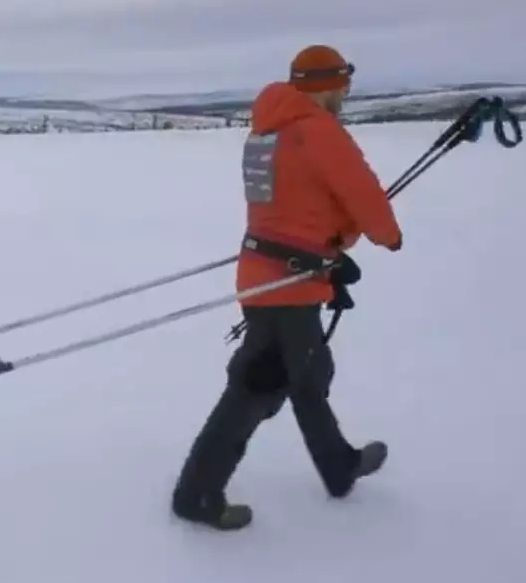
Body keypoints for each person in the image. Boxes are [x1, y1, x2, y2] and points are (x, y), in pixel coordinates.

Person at [171, 44, 404, 530]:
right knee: (256, 389)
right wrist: (387, 236)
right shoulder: (320, 132)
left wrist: (333, 245)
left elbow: (296, 203)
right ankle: (196, 494)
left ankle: (338, 467)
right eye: (344, 82)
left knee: (308, 374)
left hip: (264, 272)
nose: (347, 91)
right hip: (289, 285)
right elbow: (363, 195)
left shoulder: (265, 132)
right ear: (327, 84)